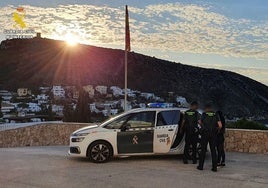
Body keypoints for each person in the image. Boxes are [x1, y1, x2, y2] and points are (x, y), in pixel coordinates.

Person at [197, 103, 222, 172]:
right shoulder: (215, 115)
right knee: (213, 150)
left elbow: (199, 121)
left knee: (203, 150)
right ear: (211, 108)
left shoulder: (204, 114)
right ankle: (214, 167)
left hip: (205, 134)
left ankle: (200, 166)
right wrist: (216, 129)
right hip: (213, 134)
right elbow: (220, 125)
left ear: (206, 108)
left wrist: (203, 126)